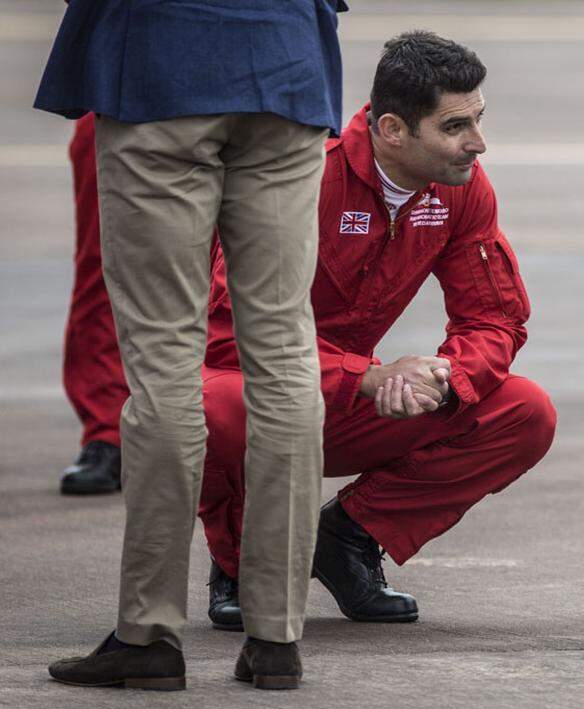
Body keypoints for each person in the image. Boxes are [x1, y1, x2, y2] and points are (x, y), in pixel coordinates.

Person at [197, 31, 556, 632]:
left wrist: (443, 379)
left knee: (524, 411)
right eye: (454, 127)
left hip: (354, 402)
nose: (478, 144)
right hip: (267, 393)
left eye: (478, 119)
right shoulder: (302, 177)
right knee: (211, 405)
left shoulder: (461, 189)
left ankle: (349, 535)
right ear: (393, 129)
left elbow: (494, 317)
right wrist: (367, 376)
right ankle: (238, 563)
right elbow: (231, 338)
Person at [36, 0, 346, 691]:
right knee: (286, 350)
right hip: (286, 67)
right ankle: (277, 636)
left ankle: (149, 630)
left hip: (158, 67)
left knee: (164, 362)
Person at [58, 113, 126, 495]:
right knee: (105, 263)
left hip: (250, 90)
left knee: (249, 271)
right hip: (125, 91)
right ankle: (107, 430)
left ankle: (229, 428)